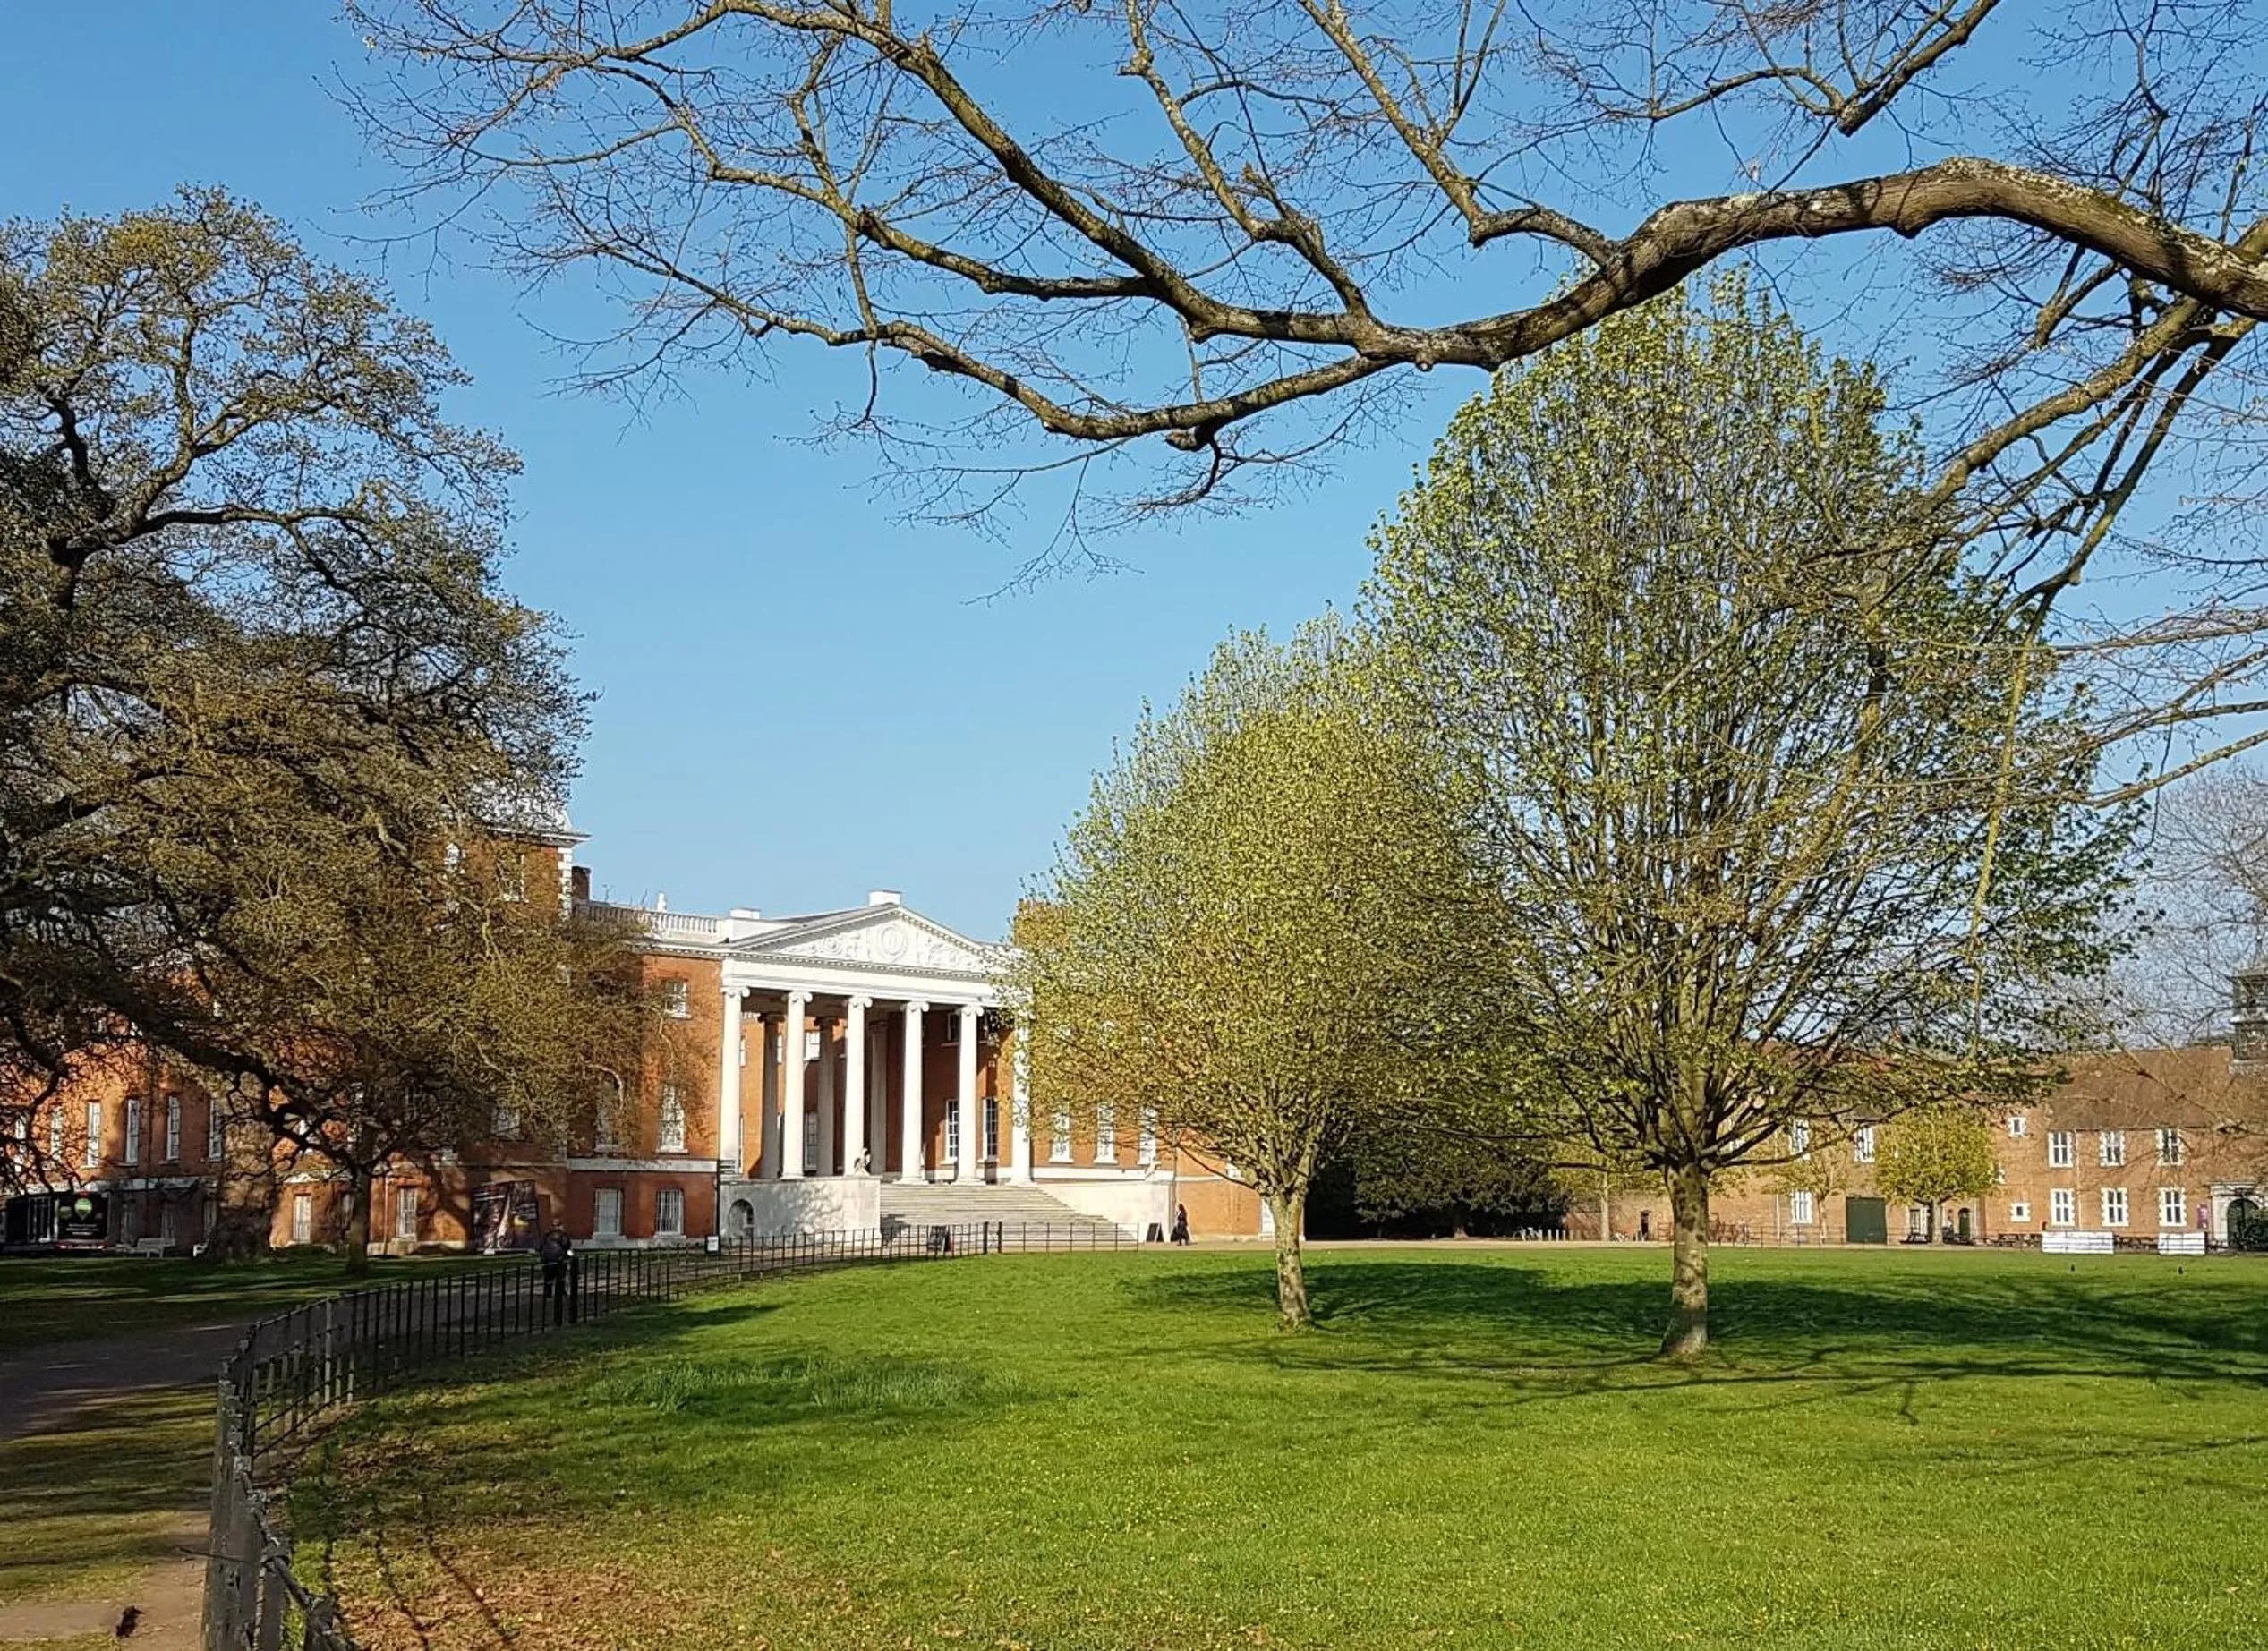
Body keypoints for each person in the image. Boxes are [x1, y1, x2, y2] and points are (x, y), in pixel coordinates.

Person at [539, 1223, 572, 1322]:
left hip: (547, 1258)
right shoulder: (563, 1235)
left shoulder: (546, 1235)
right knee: (560, 1275)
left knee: (548, 1277)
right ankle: (560, 1291)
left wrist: (542, 1256)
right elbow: (566, 1245)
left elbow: (540, 1246)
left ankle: (548, 1292)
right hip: (558, 1257)